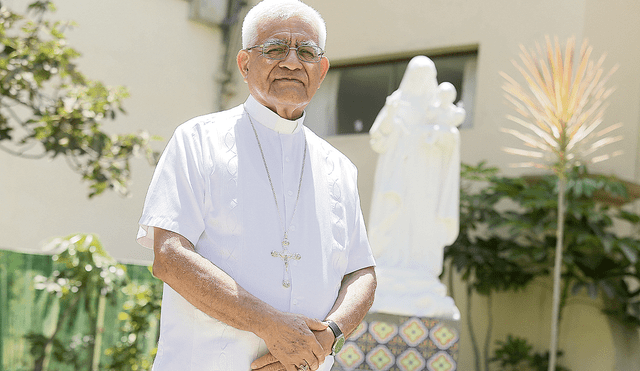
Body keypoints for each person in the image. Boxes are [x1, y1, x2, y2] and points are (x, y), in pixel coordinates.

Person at [136, 1, 377, 370]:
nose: (293, 63)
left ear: (322, 69)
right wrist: (271, 327)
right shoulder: (198, 140)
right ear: (245, 64)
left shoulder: (339, 167)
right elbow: (169, 256)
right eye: (276, 49)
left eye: (307, 52)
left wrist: (328, 337)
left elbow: (362, 272)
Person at [368, 56, 462, 319]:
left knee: (422, 221)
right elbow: (378, 138)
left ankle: (420, 267)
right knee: (393, 218)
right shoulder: (397, 102)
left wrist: (436, 136)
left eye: (426, 74)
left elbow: (450, 138)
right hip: (398, 174)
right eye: (416, 74)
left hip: (426, 178)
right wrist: (392, 118)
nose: (421, 81)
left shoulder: (438, 107)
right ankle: (390, 263)